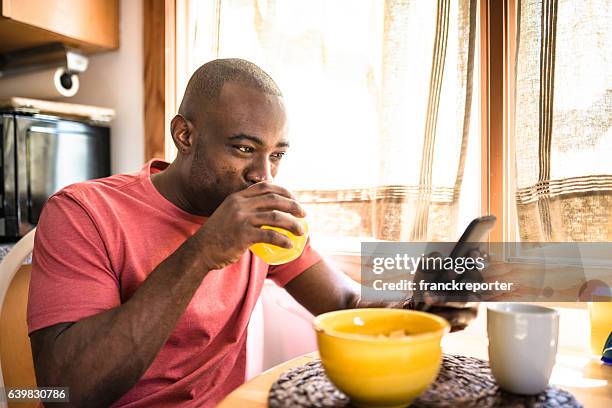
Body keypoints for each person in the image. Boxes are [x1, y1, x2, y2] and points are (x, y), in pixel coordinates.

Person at [27, 58, 477, 407]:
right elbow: (67, 390)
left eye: (277, 155)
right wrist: (202, 251)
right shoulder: (83, 212)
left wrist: (419, 308)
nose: (263, 175)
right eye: (244, 148)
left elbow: (344, 303)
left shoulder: (257, 218)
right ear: (185, 134)